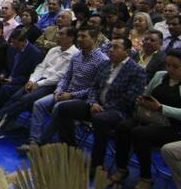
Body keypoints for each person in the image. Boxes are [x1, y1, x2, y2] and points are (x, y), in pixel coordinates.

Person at [47, 37, 146, 178]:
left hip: (118, 111)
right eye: (111, 46)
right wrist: (93, 102)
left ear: (128, 52)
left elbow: (129, 99)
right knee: (64, 108)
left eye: (116, 47)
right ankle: (70, 151)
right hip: (95, 105)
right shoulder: (106, 64)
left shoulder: (137, 71)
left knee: (101, 119)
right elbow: (93, 87)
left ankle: (96, 164)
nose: (111, 50)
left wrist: (104, 107)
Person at [110, 49, 181, 189]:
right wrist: (142, 101)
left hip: (173, 126)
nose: (170, 70)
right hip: (150, 117)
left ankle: (146, 178)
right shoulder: (160, 76)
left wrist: (161, 108)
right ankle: (121, 168)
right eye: (168, 65)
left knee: (140, 134)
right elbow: (147, 95)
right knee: (123, 126)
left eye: (175, 67)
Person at [0, 27, 78, 128]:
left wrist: (38, 83)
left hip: (52, 86)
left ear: (71, 38)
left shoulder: (75, 54)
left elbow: (61, 76)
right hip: (38, 80)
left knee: (25, 99)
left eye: (61, 34)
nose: (57, 36)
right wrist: (32, 80)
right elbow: (41, 67)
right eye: (58, 34)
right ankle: (0, 124)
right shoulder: (53, 50)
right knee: (15, 97)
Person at [0, 28, 45, 118]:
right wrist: (3, 75)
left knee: (5, 89)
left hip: (21, 83)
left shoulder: (35, 54)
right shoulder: (11, 48)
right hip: (7, 79)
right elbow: (6, 67)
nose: (13, 46)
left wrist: (13, 80)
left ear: (23, 42)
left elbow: (31, 75)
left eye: (15, 44)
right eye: (12, 43)